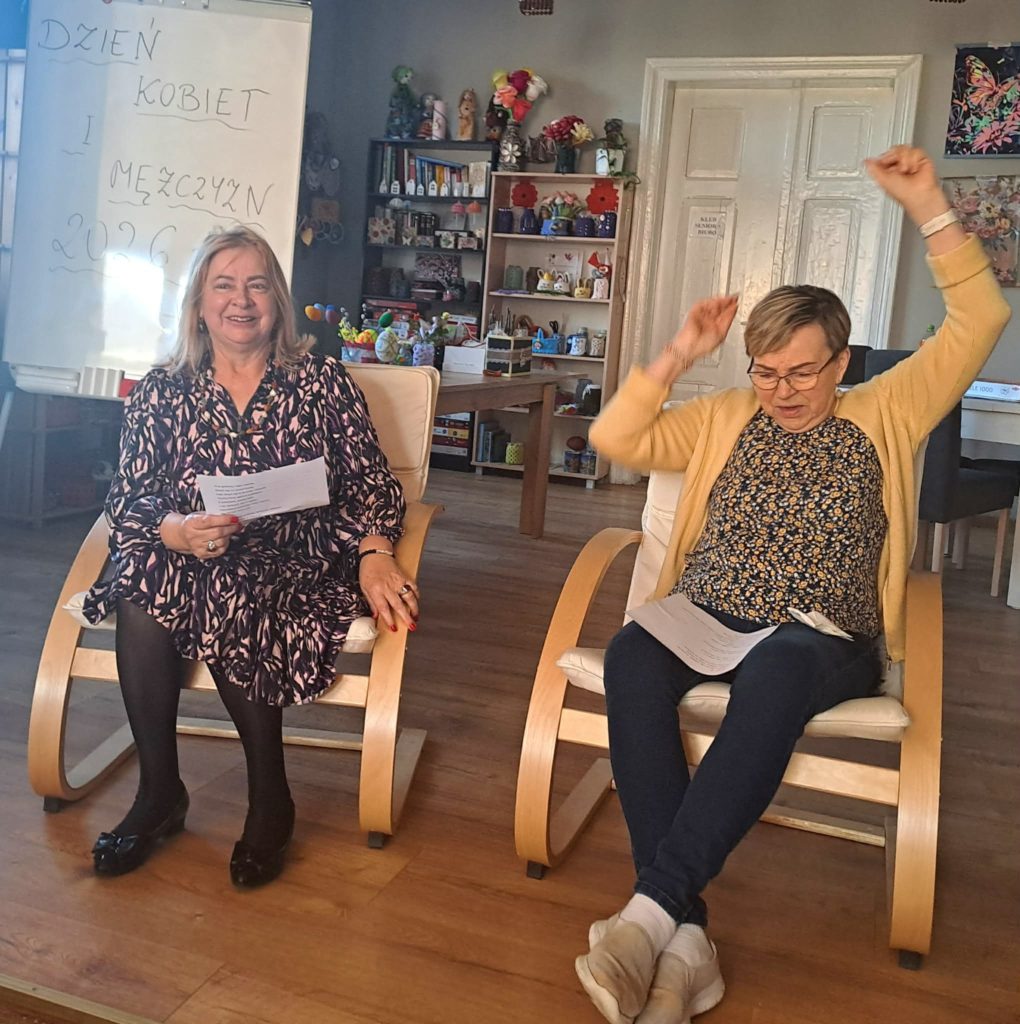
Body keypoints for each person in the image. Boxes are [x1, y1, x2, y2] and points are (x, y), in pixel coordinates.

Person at [576, 146, 1010, 1023]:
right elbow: (616, 439)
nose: (783, 391)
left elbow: (980, 316)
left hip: (822, 634)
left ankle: (647, 915)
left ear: (841, 363)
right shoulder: (724, 416)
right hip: (709, 615)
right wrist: (680, 352)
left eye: (803, 371)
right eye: (766, 371)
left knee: (776, 671)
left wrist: (928, 204)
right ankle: (685, 941)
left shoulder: (889, 408)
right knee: (631, 656)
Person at [82, 226, 419, 888]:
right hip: (192, 549)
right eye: (224, 285)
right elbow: (131, 498)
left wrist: (376, 551)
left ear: (277, 302)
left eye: (257, 285)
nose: (241, 300)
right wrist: (177, 530)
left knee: (225, 577)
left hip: (300, 557)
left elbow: (371, 484)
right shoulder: (162, 390)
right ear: (199, 304)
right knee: (146, 573)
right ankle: (159, 792)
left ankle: (271, 798)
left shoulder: (321, 381)